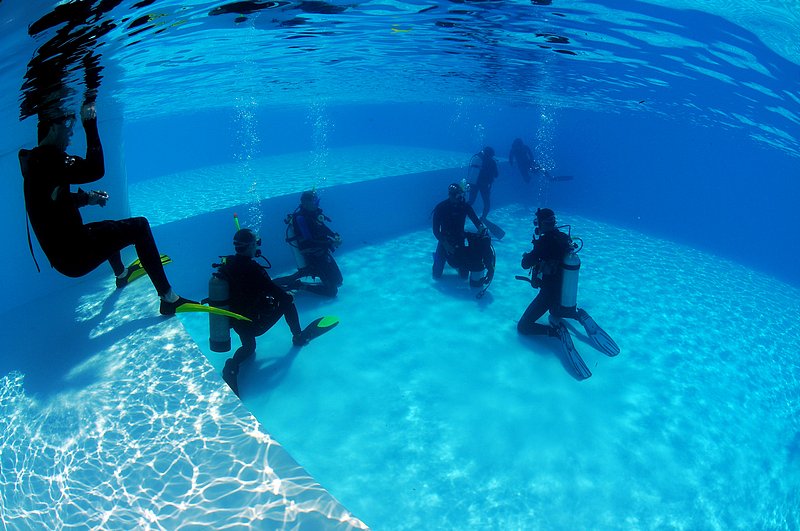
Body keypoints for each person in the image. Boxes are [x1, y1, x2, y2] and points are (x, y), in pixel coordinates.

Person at [19, 103, 192, 315]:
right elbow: (96, 168)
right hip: (76, 256)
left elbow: (50, 203)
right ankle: (168, 298)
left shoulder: (37, 162)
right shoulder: (52, 161)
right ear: (53, 127)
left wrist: (86, 199)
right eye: (68, 126)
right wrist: (90, 124)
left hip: (64, 255)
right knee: (139, 226)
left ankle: (122, 274)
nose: (71, 134)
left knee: (109, 227)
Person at [516, 208, 618, 378]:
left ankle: (556, 333)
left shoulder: (543, 243)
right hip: (564, 293)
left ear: (541, 223)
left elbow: (525, 264)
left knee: (523, 327)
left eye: (537, 223)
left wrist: (528, 254)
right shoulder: (564, 238)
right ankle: (576, 314)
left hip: (549, 294)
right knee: (555, 313)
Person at [217, 229, 307, 396]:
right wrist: (287, 296)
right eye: (256, 243)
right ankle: (298, 336)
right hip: (255, 324)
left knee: (249, 348)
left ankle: (231, 366)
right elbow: (273, 290)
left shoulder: (227, 265)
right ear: (251, 246)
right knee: (288, 303)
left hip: (238, 323)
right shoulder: (254, 269)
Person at [274, 189, 343, 297]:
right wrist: (330, 243)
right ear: (306, 204)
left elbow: (323, 228)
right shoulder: (300, 218)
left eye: (318, 201)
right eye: (315, 202)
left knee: (338, 280)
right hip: (314, 257)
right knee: (332, 291)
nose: (318, 204)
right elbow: (309, 241)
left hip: (322, 252)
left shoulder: (313, 214)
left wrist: (335, 236)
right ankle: (299, 286)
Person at [432, 182, 494, 287]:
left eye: (461, 196)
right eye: (457, 197)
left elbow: (475, 219)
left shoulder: (464, 206)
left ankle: (450, 259)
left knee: (464, 275)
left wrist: (480, 227)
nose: (459, 199)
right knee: (437, 275)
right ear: (450, 195)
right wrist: (444, 242)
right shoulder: (441, 207)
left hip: (459, 239)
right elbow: (435, 230)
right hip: (444, 241)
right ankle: (438, 257)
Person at [467, 146, 499, 221]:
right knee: (487, 204)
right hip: (484, 185)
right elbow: (496, 175)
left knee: (471, 201)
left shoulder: (478, 159)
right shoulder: (492, 162)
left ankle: (460, 210)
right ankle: (483, 217)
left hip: (474, 183)